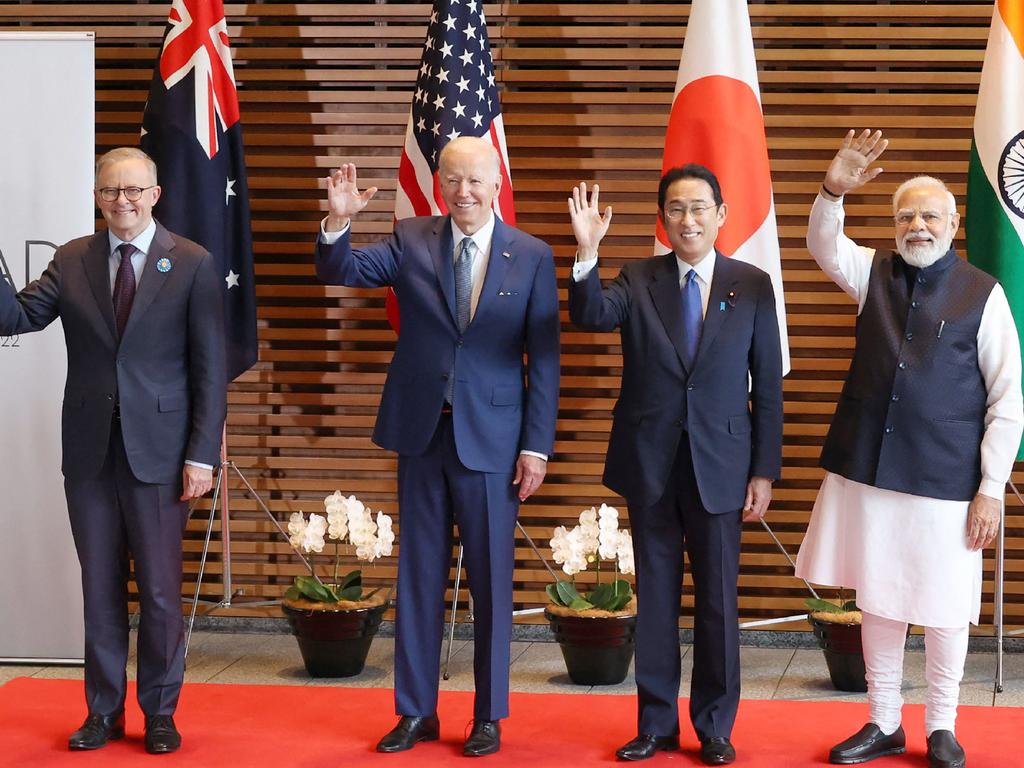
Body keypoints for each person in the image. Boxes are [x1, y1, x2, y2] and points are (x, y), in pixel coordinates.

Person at [315, 135, 560, 757]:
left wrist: (536, 446)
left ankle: (488, 715)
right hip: (422, 433)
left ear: (497, 182)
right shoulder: (411, 239)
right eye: (452, 179)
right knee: (418, 577)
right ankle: (415, 711)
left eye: (475, 180)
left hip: (495, 441)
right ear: (439, 184)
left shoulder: (530, 255)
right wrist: (338, 223)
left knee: (491, 583)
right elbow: (341, 271)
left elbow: (547, 362)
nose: (464, 192)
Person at [795, 130, 1024, 768]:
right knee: (880, 597)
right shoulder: (873, 272)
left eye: (928, 215)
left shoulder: (984, 293)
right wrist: (832, 186)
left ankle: (943, 726)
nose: (915, 225)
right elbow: (822, 244)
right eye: (904, 216)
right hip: (872, 472)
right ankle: (883, 722)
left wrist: (990, 489)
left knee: (946, 605)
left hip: (949, 480)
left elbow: (1008, 398)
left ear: (952, 222)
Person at [0, 147, 226, 754]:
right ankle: (102, 711)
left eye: (133, 191)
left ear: (155, 195)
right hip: (91, 455)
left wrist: (202, 456)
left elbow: (210, 371)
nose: (121, 201)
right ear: (97, 197)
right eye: (109, 192)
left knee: (158, 594)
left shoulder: (193, 264)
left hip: (163, 455)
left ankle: (160, 713)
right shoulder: (71, 259)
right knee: (99, 590)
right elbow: (15, 318)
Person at [567, 166, 783, 765]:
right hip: (651, 464)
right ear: (663, 219)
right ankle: (656, 724)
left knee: (718, 602)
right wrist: (587, 251)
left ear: (721, 213)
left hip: (723, 465)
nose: (687, 220)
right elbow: (590, 316)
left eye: (698, 208)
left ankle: (716, 725)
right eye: (675, 209)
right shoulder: (638, 278)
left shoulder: (754, 284)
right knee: (656, 599)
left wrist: (763, 470)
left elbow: (767, 384)